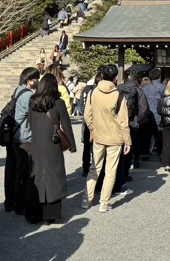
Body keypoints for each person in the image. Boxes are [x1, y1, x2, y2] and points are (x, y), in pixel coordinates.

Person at [27, 74, 77, 223]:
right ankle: (50, 214)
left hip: (36, 143)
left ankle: (35, 211)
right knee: (53, 176)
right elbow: (66, 125)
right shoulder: (59, 103)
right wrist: (72, 145)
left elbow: (29, 121)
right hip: (52, 143)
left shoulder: (32, 101)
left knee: (37, 175)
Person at [83, 65, 131, 213]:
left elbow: (87, 115)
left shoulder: (93, 93)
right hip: (114, 137)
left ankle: (87, 198)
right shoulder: (119, 95)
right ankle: (104, 203)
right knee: (110, 171)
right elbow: (123, 121)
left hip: (98, 135)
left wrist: (93, 128)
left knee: (94, 168)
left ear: (102, 76)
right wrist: (127, 140)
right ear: (116, 78)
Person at [4, 67, 40, 220]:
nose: (37, 81)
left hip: (12, 135)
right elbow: (35, 117)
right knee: (23, 173)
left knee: (11, 169)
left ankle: (10, 201)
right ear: (28, 80)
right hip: (24, 137)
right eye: (35, 78)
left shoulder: (18, 90)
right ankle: (20, 204)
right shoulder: (28, 96)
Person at [79, 69, 103, 177]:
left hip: (86, 119)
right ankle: (95, 166)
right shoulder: (97, 91)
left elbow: (81, 105)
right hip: (96, 120)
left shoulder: (85, 89)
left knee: (86, 146)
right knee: (95, 146)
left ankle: (85, 167)